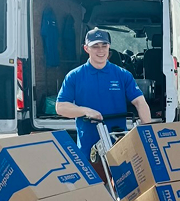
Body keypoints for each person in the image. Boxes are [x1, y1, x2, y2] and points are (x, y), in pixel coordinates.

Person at [56, 28, 152, 179]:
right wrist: (86, 111)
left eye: (104, 45)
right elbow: (61, 107)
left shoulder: (122, 75)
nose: (100, 50)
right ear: (86, 48)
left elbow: (140, 102)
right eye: (95, 46)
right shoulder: (74, 76)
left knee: (124, 191)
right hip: (89, 147)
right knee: (96, 192)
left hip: (118, 144)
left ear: (109, 48)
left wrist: (147, 130)